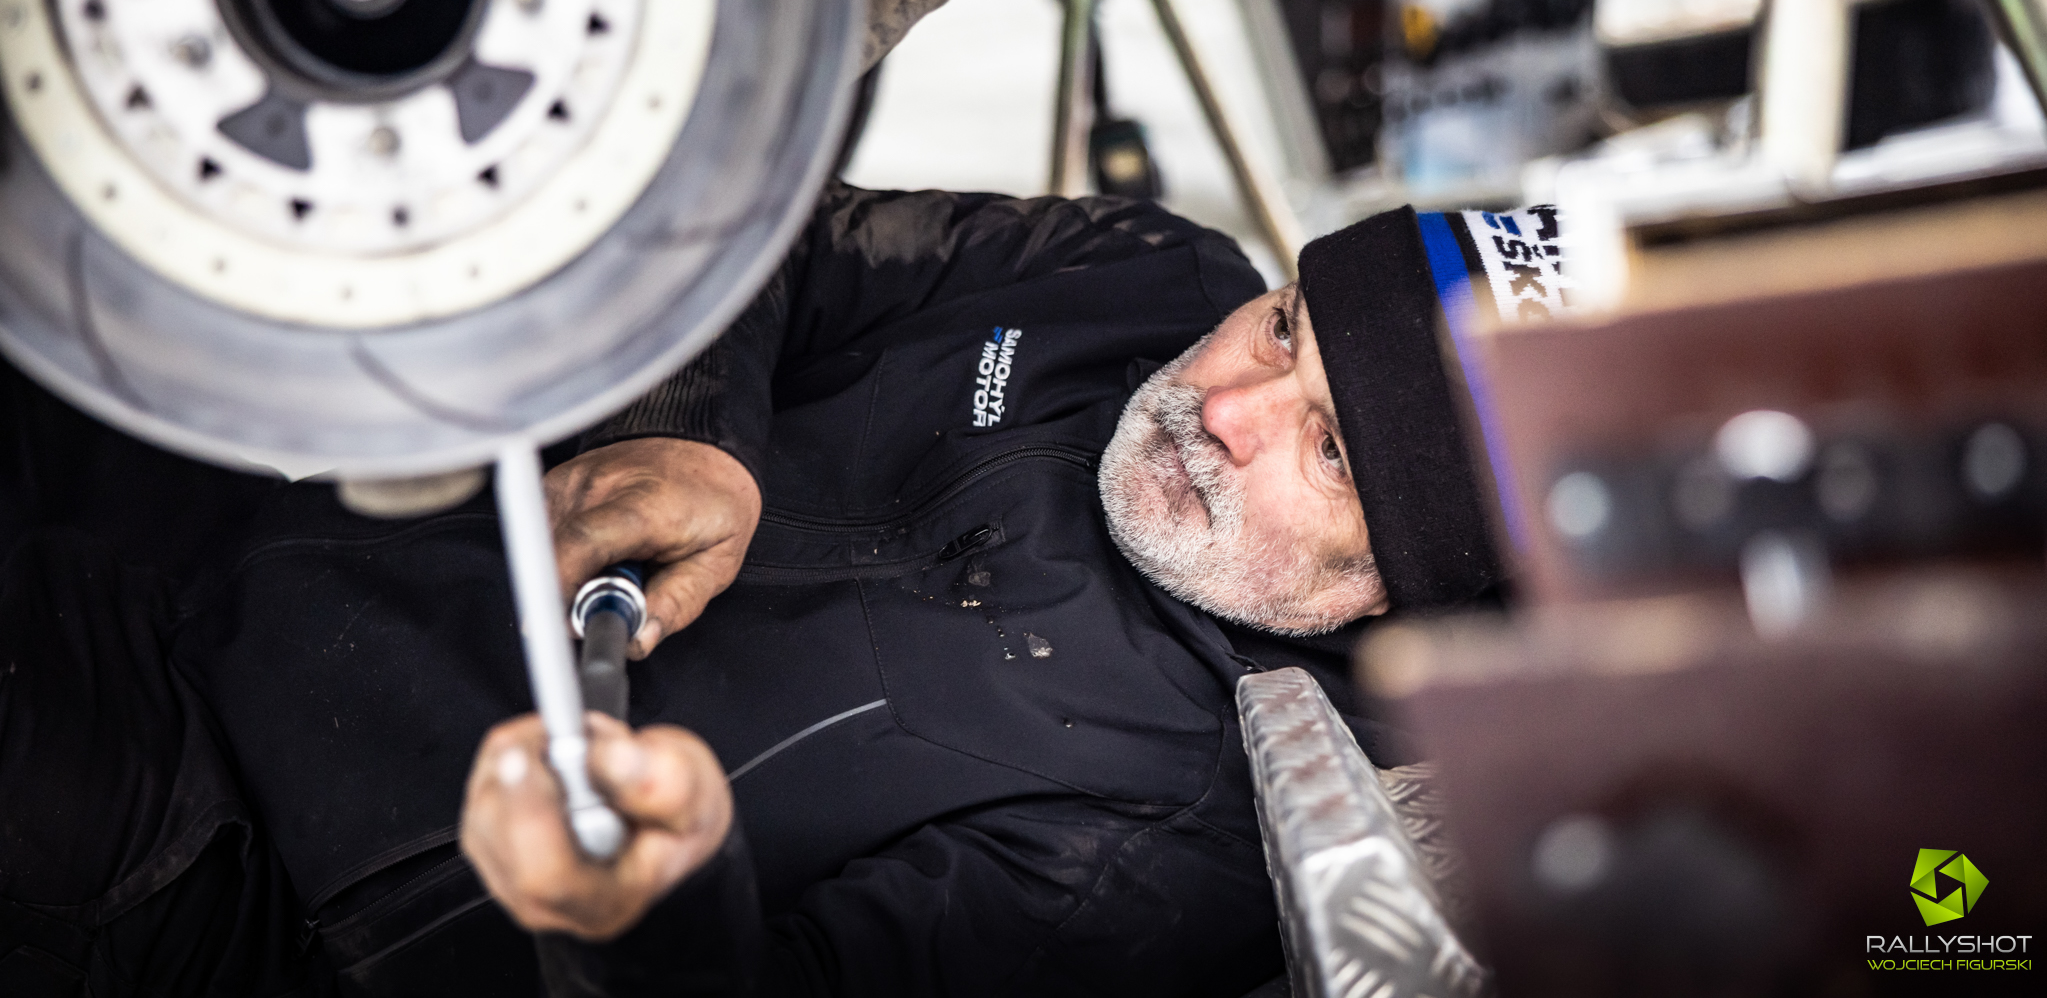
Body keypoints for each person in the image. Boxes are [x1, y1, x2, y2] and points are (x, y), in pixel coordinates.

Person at [0, 182, 1564, 996]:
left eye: (1331, 454)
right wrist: (689, 429)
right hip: (235, 531)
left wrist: (649, 916)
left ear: (1402, 603)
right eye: (1286, 325)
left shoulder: (1175, 845)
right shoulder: (1144, 269)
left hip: (228, 883)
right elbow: (771, 236)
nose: (1224, 402)